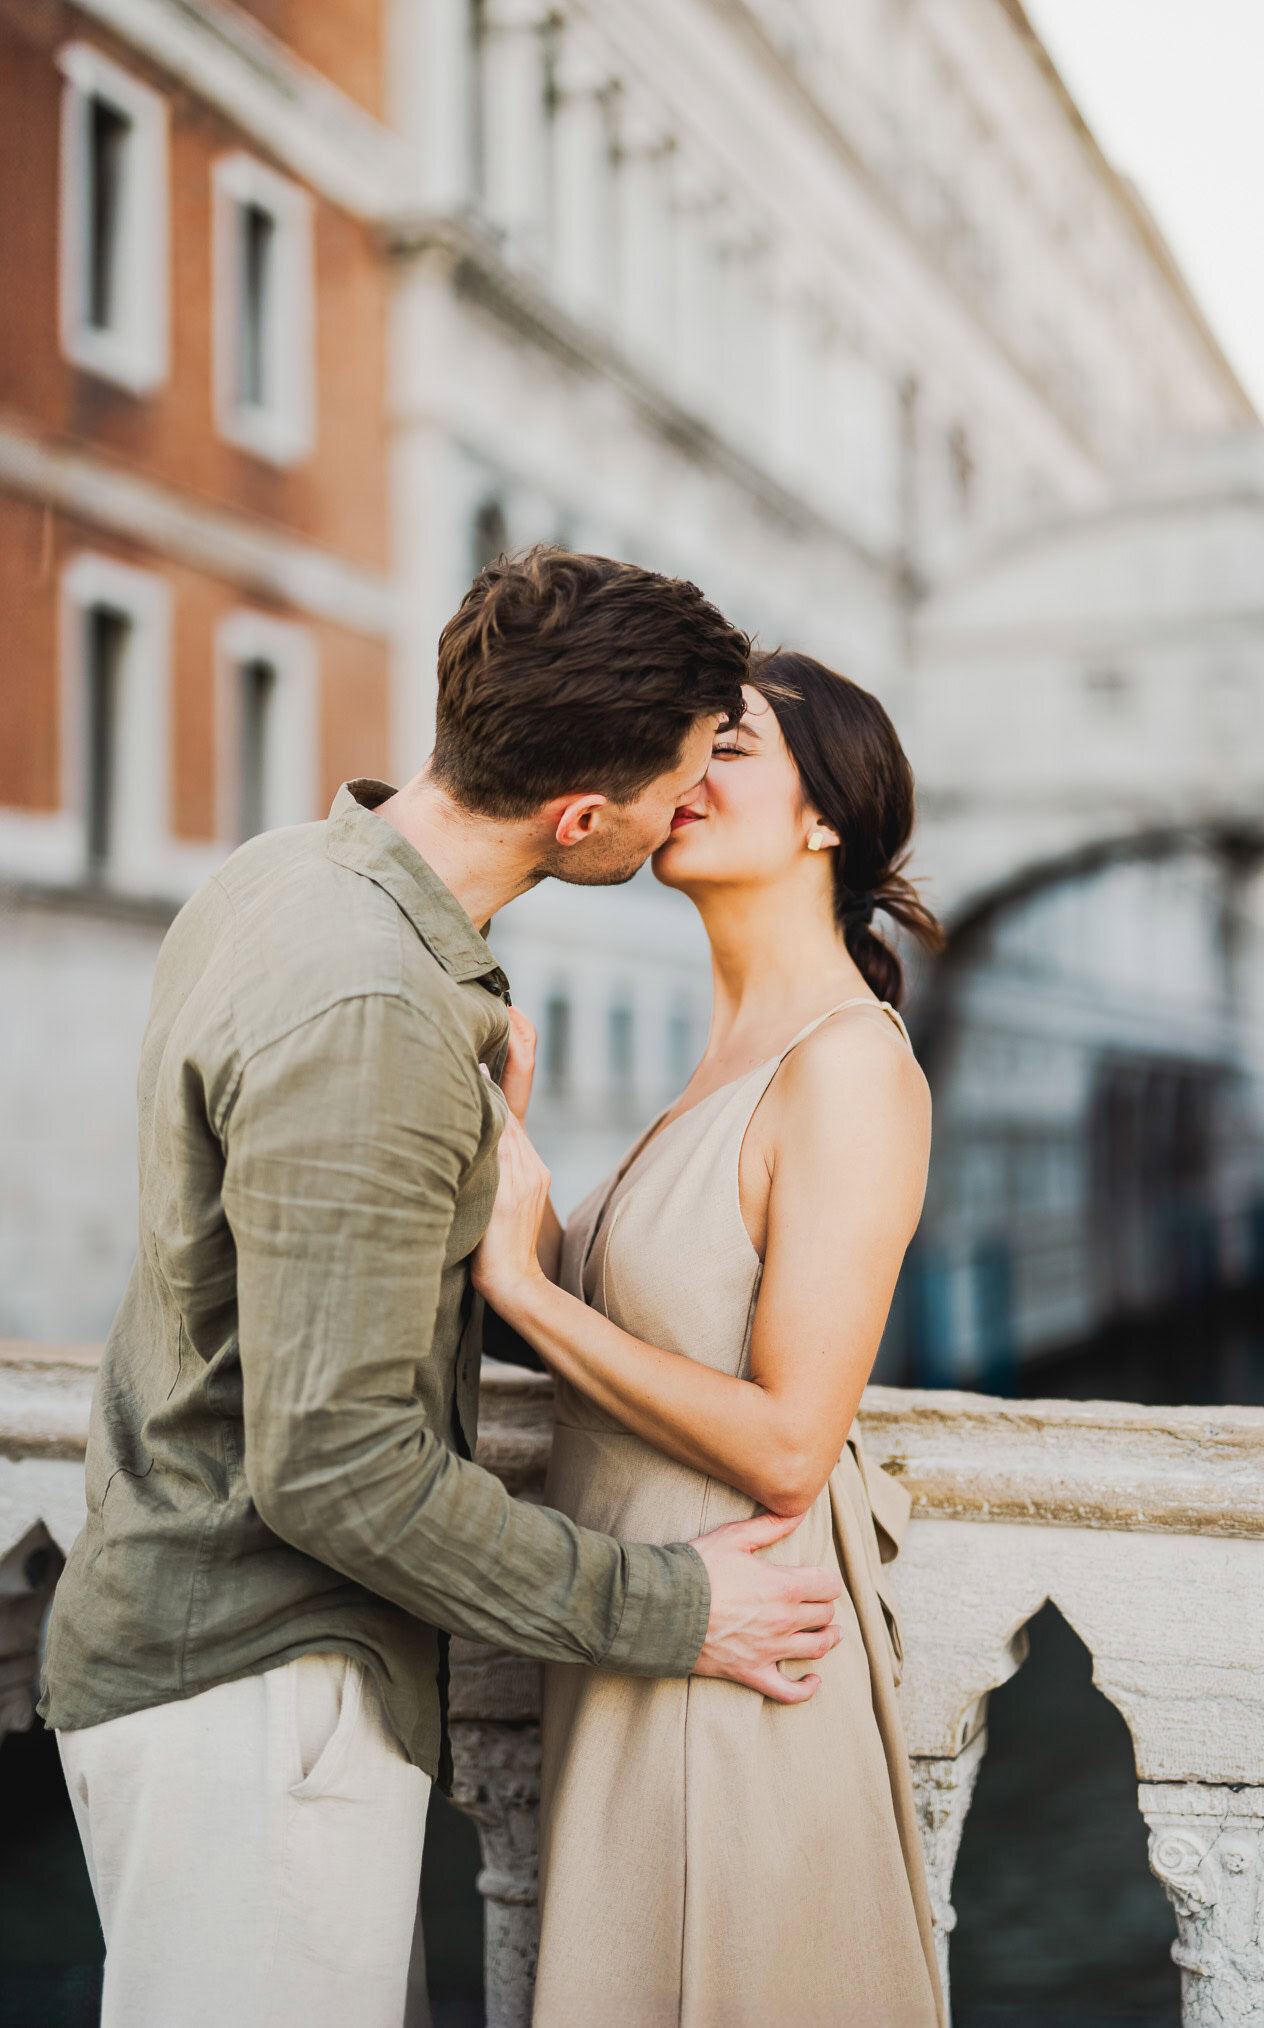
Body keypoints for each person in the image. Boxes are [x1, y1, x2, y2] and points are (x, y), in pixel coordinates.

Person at [38, 554, 845, 2028]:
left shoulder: (284, 878)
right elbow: (337, 1470)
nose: (687, 810)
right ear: (581, 819)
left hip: (219, 1684)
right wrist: (678, 1611)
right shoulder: (374, 1011)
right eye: (677, 782)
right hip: (257, 1700)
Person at [470, 649, 950, 2027]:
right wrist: (519, 1172)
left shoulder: (851, 1067)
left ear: (824, 819)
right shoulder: (732, 1050)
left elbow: (794, 1444)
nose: (686, 771)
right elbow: (641, 1321)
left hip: (737, 1661)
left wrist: (531, 1287)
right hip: (643, 1638)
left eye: (728, 747)